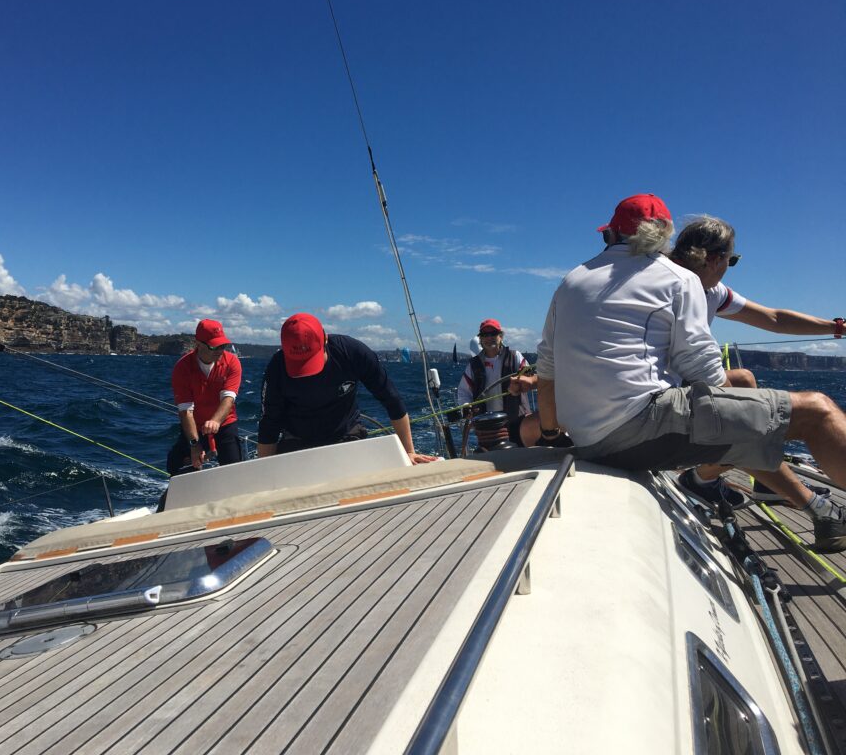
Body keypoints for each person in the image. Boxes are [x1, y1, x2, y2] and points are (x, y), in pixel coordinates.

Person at [536, 193, 846, 552]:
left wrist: (549, 433)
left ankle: (819, 511)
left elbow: (548, 368)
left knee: (743, 396)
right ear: (665, 234)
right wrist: (746, 426)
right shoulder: (677, 279)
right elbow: (704, 372)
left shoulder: (572, 279)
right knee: (818, 411)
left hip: (588, 440)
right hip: (635, 430)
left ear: (612, 235)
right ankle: (755, 487)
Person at [669, 215, 844, 512]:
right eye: (731, 260)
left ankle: (732, 479)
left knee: (744, 380)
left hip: (678, 384)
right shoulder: (675, 287)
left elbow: (773, 318)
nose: (729, 269)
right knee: (810, 411)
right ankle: (729, 476)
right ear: (714, 259)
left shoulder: (712, 292)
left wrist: (836, 327)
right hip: (662, 398)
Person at [257, 313, 437, 465]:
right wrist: (263, 473)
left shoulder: (352, 353)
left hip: (347, 433)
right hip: (297, 439)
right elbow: (269, 424)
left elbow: (391, 398)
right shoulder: (276, 369)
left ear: (325, 338)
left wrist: (409, 452)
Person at [166, 318, 243, 476]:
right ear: (198, 344)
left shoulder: (232, 363)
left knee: (234, 471)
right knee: (175, 464)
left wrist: (215, 421)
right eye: (215, 347)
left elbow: (228, 399)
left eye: (223, 346)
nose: (220, 351)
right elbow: (186, 411)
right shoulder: (182, 368)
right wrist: (195, 445)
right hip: (195, 424)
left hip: (225, 424)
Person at [456, 318, 542, 447]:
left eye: (493, 334)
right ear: (480, 339)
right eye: (485, 335)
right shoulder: (473, 364)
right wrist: (466, 406)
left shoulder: (515, 356)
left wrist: (522, 384)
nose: (489, 338)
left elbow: (530, 379)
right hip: (488, 425)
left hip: (517, 420)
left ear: (501, 336)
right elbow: (464, 391)